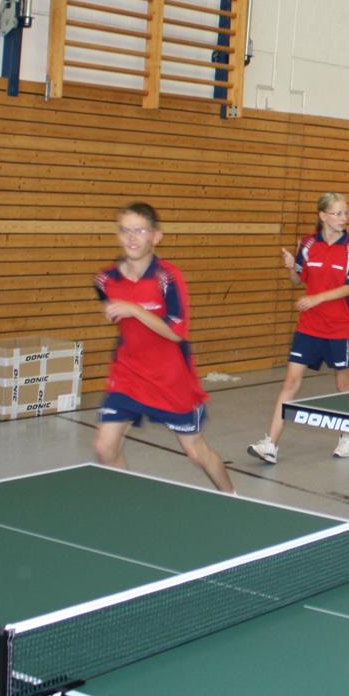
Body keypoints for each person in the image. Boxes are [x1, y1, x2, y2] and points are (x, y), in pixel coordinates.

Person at [93, 202, 233, 493]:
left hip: (171, 379)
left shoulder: (168, 277)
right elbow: (114, 312)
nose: (132, 238)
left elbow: (176, 332)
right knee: (105, 447)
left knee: (196, 453)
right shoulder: (105, 279)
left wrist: (134, 309)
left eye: (140, 230)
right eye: (125, 231)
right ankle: (130, 498)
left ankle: (232, 496)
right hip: (128, 374)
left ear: (156, 236)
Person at [247, 193, 349, 465]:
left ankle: (348, 437)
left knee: (342, 384)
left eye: (346, 213)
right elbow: (298, 280)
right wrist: (291, 267)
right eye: (338, 213)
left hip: (341, 328)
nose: (344, 218)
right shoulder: (308, 244)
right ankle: (271, 444)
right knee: (290, 382)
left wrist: (316, 299)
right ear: (323, 216)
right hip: (310, 326)